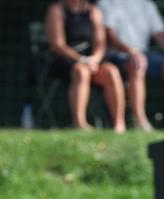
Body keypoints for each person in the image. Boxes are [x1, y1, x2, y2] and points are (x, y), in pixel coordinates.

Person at [97, 0, 164, 132]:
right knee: (138, 62)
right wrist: (130, 51)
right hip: (118, 56)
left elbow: (162, 34)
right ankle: (140, 121)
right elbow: (109, 35)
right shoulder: (107, 3)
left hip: (143, 55)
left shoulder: (147, 5)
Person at [45, 0, 126, 132]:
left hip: (91, 61)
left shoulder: (94, 11)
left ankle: (119, 124)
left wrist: (94, 59)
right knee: (81, 71)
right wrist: (82, 60)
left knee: (111, 71)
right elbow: (58, 44)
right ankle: (80, 123)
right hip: (64, 59)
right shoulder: (57, 9)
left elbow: (100, 44)